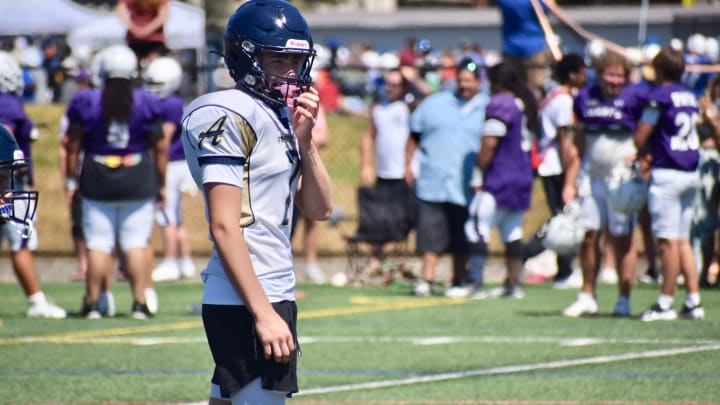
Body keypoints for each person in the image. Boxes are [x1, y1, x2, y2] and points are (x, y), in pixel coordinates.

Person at [181, 1, 332, 402]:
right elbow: (224, 225)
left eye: (296, 60)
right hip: (247, 294)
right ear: (245, 57)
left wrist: (306, 140)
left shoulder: (279, 114)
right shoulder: (226, 112)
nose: (290, 71)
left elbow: (320, 209)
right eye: (278, 59)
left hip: (271, 285)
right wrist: (263, 314)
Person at [65, 44, 167, 320]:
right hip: (137, 174)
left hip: (97, 175)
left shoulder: (86, 101)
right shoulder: (146, 101)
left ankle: (93, 303)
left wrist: (71, 178)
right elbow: (159, 146)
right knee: (135, 242)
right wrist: (161, 182)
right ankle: (139, 303)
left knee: (99, 243)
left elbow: (73, 144)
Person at [562, 51, 648, 317]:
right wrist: (570, 181)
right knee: (589, 237)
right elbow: (578, 144)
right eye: (609, 74)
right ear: (599, 75)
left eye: (619, 75)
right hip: (592, 176)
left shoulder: (636, 97)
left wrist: (643, 159)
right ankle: (587, 294)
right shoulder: (585, 97)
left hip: (621, 178)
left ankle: (624, 298)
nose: (614, 80)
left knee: (622, 239)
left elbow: (648, 132)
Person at [405, 57, 487, 297]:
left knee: (461, 235)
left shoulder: (487, 107)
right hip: (433, 180)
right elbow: (414, 135)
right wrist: (408, 164)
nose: (464, 85)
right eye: (461, 80)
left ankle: (458, 279)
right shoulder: (434, 103)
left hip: (466, 184)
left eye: (470, 81)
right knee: (430, 234)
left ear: (479, 82)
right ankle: (427, 279)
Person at [635, 46, 705, 321]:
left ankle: (665, 302)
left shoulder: (659, 97)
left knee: (667, 242)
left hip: (668, 173)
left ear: (660, 69)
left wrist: (641, 151)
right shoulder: (689, 95)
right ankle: (693, 300)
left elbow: (642, 135)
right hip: (690, 172)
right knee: (683, 240)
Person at [464, 61, 538, 299]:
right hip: (522, 177)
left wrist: (478, 173)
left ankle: (475, 282)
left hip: (499, 178)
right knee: (512, 232)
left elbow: (490, 142)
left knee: (477, 228)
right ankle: (513, 283)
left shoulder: (501, 103)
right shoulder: (522, 102)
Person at [0, 54, 66, 319]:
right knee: (21, 242)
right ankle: (36, 299)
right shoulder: (8, 105)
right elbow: (4, 140)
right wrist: (8, 174)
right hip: (11, 185)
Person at [522, 53, 586, 289]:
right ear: (572, 74)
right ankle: (527, 255)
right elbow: (563, 139)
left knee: (563, 218)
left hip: (551, 165)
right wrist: (571, 171)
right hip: (556, 166)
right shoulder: (562, 101)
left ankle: (563, 269)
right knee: (562, 220)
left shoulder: (557, 96)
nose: (585, 76)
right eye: (582, 71)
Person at [141, 56, 198, 283]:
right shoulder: (172, 101)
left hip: (172, 164)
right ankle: (185, 261)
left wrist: (159, 178)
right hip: (178, 162)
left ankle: (171, 261)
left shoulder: (170, 104)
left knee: (166, 216)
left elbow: (162, 142)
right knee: (176, 216)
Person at [359, 68, 413, 279]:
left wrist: (410, 164)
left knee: (404, 219)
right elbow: (368, 137)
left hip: (403, 172)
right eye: (387, 83)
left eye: (395, 84)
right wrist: (366, 165)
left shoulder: (408, 107)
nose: (390, 88)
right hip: (384, 171)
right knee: (380, 219)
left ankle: (402, 261)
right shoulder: (379, 108)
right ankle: (376, 260)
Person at [496, 0, 556, 97]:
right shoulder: (534, 2)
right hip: (534, 49)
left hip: (511, 49)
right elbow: (549, 8)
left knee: (512, 88)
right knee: (535, 90)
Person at [694, 75, 720, 288]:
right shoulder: (702, 109)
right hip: (706, 169)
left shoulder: (710, 111)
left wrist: (710, 115)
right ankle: (702, 274)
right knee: (706, 223)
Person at [115, 0, 170, 67]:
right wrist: (138, 30)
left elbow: (163, 16)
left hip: (152, 40)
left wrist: (137, 30)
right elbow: (121, 11)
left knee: (154, 65)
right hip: (142, 39)